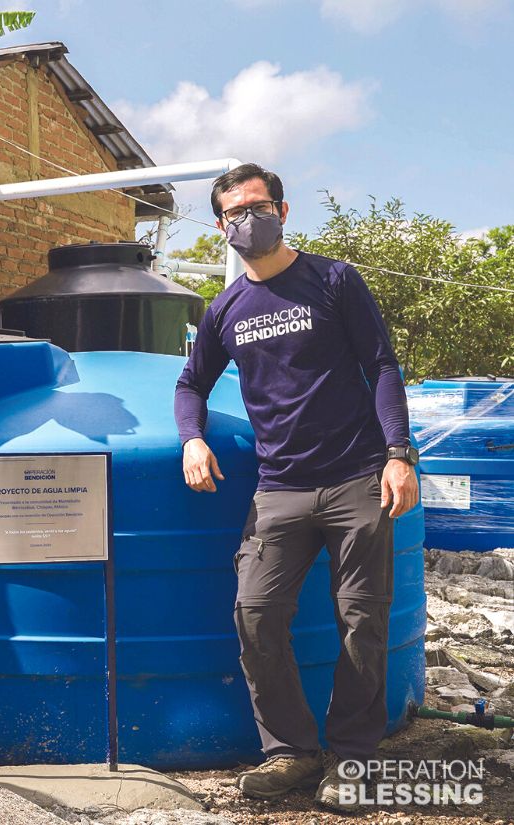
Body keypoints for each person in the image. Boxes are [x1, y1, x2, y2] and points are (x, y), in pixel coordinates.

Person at [174, 163, 419, 811]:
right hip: (279, 489)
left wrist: (399, 453)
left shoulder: (334, 279)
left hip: (356, 478)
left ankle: (353, 756)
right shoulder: (226, 307)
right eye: (232, 212)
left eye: (255, 206)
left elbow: (382, 365)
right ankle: (290, 748)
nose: (244, 220)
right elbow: (189, 384)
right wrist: (191, 438)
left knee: (361, 620)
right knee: (255, 612)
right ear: (222, 224)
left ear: (282, 212)